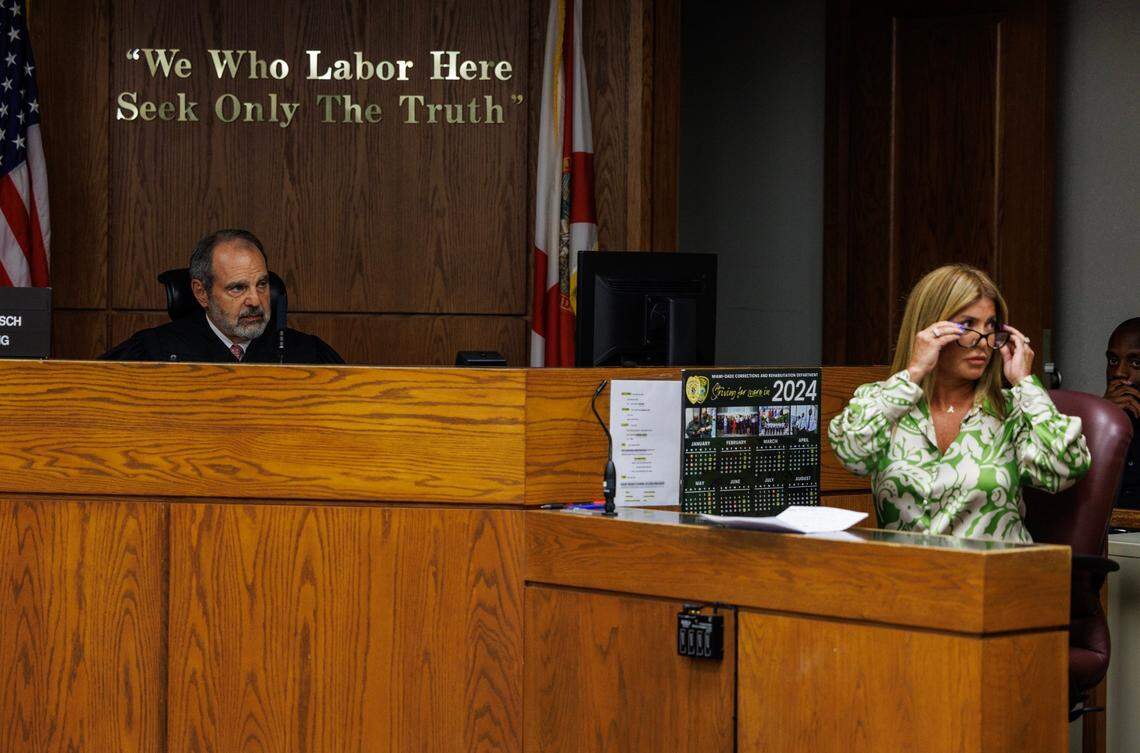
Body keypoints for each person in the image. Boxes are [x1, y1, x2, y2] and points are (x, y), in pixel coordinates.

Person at [828, 264, 1090, 543]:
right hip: (905, 578)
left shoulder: (1011, 410)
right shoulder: (884, 402)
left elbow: (1065, 468)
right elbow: (852, 454)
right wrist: (915, 372)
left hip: (993, 578)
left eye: (991, 327)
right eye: (967, 325)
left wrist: (1025, 383)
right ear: (931, 329)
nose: (984, 342)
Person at [102, 229, 343, 364]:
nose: (255, 300)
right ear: (201, 293)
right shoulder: (154, 352)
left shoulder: (308, 354)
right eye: (237, 288)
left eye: (261, 284)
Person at [1105, 317, 1140, 507]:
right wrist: (1103, 417)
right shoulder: (1091, 421)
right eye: (1113, 360)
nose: (1119, 372)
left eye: (1135, 363)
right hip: (1107, 534)